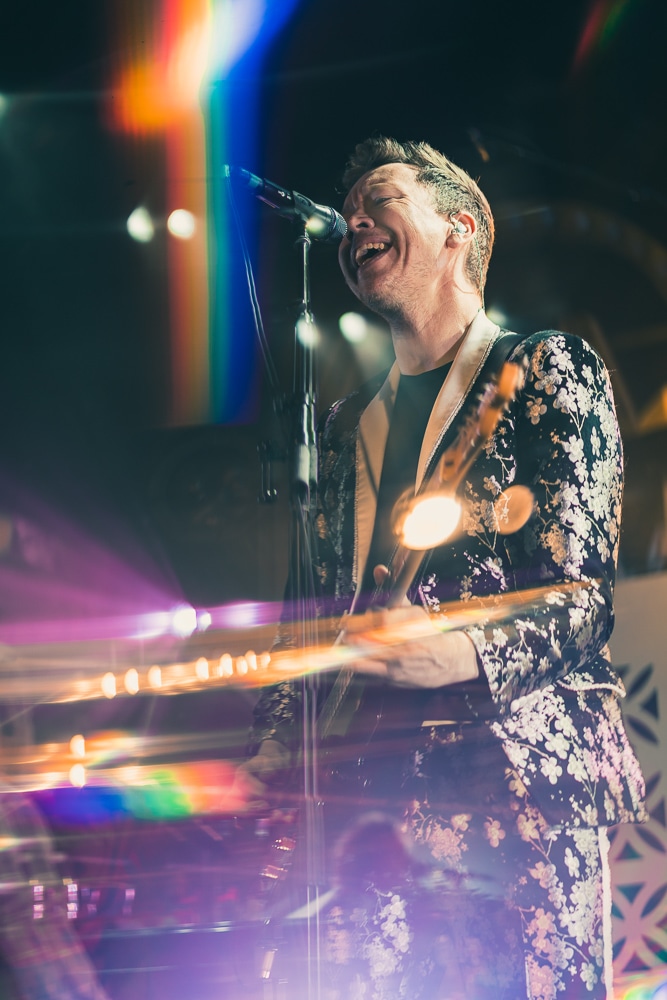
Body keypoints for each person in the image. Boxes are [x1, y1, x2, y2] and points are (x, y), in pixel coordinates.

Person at [244, 136, 646, 999]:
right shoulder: (341, 428)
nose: (352, 223)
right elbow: (308, 624)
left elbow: (580, 600)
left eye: (378, 200)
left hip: (509, 787)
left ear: (458, 227)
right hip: (367, 810)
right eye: (345, 213)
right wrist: (270, 749)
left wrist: (456, 653)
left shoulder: (545, 369)